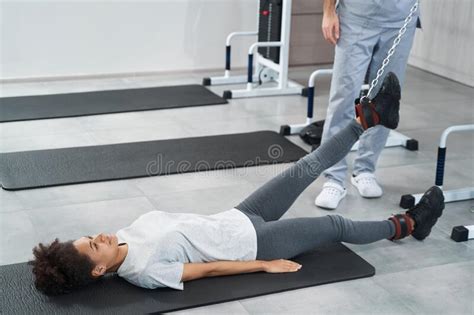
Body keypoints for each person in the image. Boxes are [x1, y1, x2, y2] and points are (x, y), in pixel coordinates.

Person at [29, 73, 444, 296]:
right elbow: (208, 270)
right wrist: (264, 265)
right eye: (93, 245)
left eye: (88, 236)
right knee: (333, 228)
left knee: (306, 165)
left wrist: (105, 242)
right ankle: (408, 225)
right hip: (255, 244)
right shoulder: (145, 271)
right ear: (99, 269)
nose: (99, 235)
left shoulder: (122, 238)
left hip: (240, 216)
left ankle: (370, 117)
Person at [316, 0, 419, 209]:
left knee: (384, 100)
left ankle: (365, 169)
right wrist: (328, 12)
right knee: (343, 99)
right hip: (355, 16)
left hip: (400, 19)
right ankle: (334, 177)